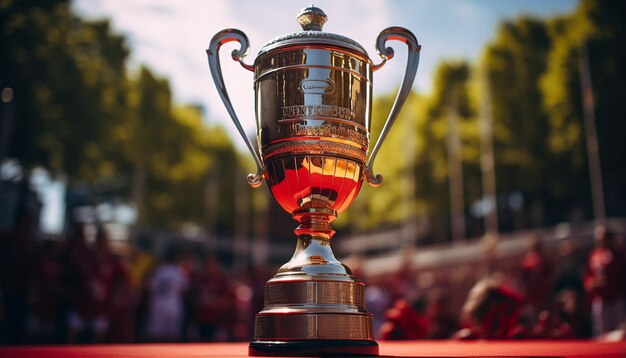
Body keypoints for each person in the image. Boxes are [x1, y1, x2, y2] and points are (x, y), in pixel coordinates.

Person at [584, 226, 625, 337]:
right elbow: (588, 274)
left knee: (618, 328)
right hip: (600, 297)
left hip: (615, 296)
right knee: (601, 329)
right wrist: (592, 283)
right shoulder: (594, 255)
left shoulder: (617, 255)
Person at [145, 248, 188, 341]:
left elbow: (150, 287)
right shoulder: (178, 271)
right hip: (172, 304)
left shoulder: (159, 270)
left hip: (159, 303)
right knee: (171, 335)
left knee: (156, 334)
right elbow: (184, 289)